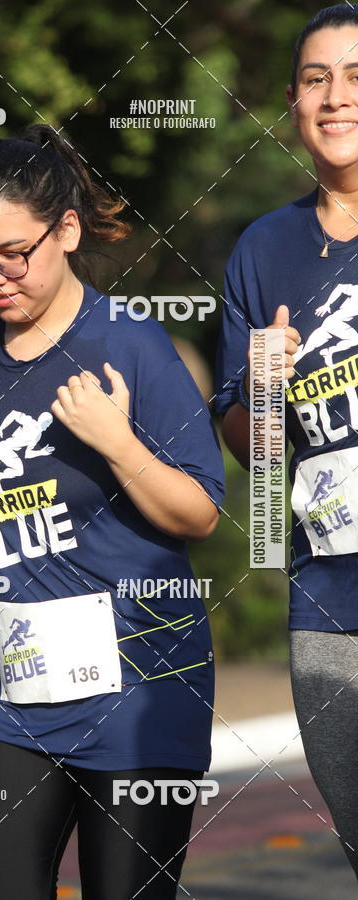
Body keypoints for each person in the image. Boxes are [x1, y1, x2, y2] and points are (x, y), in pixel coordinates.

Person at [0, 123, 225, 899]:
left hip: (140, 685)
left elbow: (200, 511)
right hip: (12, 691)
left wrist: (118, 444)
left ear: (66, 231)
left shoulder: (132, 345)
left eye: (11, 255)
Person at [215, 3, 358, 880]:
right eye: (316, 79)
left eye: (356, 77)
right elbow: (254, 450)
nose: (336, 97)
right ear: (295, 103)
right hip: (331, 602)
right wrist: (262, 390)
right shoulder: (263, 249)